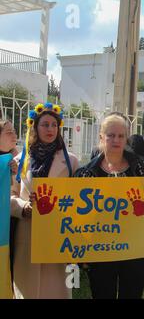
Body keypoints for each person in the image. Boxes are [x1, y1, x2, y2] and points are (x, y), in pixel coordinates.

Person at [74, 113, 144, 299]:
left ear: (126, 138)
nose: (116, 140)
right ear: (101, 138)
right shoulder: (86, 174)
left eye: (121, 136)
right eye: (111, 135)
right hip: (100, 251)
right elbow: (76, 214)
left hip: (136, 249)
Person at [10, 103, 79, 299]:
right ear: (35, 127)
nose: (50, 129)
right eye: (45, 125)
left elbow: (80, 196)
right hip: (28, 233)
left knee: (56, 289)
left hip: (59, 234)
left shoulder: (71, 161)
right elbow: (10, 196)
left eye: (54, 125)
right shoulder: (20, 161)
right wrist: (24, 208)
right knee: (28, 289)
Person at [0, 120, 18, 284]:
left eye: (14, 131)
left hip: (9, 226)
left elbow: (15, 192)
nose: (15, 135)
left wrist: (14, 173)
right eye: (8, 132)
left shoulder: (17, 159)